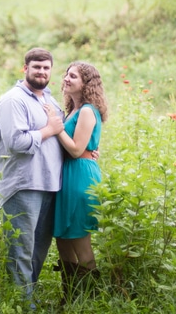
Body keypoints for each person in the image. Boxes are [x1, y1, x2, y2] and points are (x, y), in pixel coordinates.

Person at [0, 47, 65, 303]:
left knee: (38, 250)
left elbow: (61, 138)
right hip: (23, 185)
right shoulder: (14, 100)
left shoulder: (50, 101)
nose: (41, 72)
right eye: (36, 67)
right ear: (25, 69)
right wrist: (48, 130)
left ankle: (25, 298)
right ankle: (23, 305)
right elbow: (15, 142)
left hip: (49, 184)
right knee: (21, 250)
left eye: (46, 68)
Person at [52, 61, 109, 302]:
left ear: (86, 84)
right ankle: (71, 297)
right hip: (67, 175)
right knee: (63, 239)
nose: (66, 78)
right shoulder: (73, 111)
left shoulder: (87, 110)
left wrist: (56, 128)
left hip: (79, 176)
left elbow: (76, 150)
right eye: (66, 74)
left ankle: (93, 299)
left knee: (78, 238)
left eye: (73, 76)